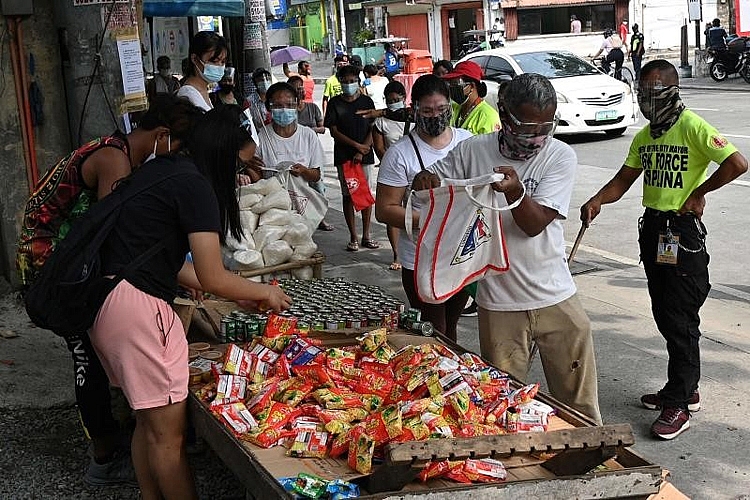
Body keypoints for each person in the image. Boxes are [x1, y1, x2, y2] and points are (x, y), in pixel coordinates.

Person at [89, 105, 292, 498]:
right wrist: (264, 291)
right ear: (222, 153)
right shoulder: (196, 187)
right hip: (138, 309)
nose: (241, 175)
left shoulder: (162, 169)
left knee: (147, 423)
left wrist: (235, 291)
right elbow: (214, 274)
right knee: (169, 439)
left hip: (108, 300)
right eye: (240, 164)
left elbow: (151, 251)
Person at [17, 95, 204, 487]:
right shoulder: (115, 160)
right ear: (162, 136)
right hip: (53, 262)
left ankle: (130, 439)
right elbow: (117, 236)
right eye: (179, 149)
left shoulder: (122, 153)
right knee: (86, 357)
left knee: (101, 357)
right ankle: (103, 456)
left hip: (70, 258)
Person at [412, 73, 603, 424]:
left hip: (555, 296)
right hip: (499, 303)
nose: (537, 139)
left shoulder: (559, 156)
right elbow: (433, 185)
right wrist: (424, 181)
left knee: (579, 406)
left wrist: (516, 192)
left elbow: (533, 225)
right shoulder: (473, 150)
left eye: (547, 127)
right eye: (528, 128)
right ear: (504, 115)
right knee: (502, 404)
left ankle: (590, 464)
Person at [580, 59, 748, 439]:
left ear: (673, 92)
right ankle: (683, 389)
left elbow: (737, 162)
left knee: (681, 319)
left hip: (681, 232)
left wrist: (699, 192)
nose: (648, 102)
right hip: (654, 229)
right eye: (643, 95)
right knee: (664, 312)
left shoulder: (692, 128)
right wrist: (597, 200)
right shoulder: (646, 137)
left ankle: (680, 404)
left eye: (656, 94)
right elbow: (623, 181)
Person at [376, 74, 473, 340]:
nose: (435, 116)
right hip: (421, 258)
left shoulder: (467, 142)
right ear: (415, 109)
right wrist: (433, 220)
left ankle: (451, 378)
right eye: (428, 110)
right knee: (434, 330)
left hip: (460, 254)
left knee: (451, 328)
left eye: (442, 109)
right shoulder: (400, 153)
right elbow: (385, 210)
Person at [324, 64, 379, 252]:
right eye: (345, 82)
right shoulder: (334, 104)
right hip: (344, 155)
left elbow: (374, 127)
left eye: (352, 81)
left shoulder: (367, 102)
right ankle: (353, 237)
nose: (349, 84)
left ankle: (367, 234)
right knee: (348, 195)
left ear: (358, 81)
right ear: (340, 82)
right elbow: (333, 131)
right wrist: (356, 146)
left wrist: (363, 148)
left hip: (364, 154)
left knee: (365, 194)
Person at [373, 80, 412, 271]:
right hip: (392, 172)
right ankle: (397, 252)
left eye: (397, 100)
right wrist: (394, 165)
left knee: (414, 210)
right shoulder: (380, 122)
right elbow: (379, 148)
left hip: (414, 171)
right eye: (390, 101)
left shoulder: (413, 117)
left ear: (404, 98)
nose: (393, 103)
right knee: (392, 211)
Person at [287, 76, 334, 231]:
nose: (299, 90)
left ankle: (320, 218)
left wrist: (308, 131)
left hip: (312, 152)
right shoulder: (288, 111)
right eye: (295, 87)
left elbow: (323, 127)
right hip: (295, 153)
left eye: (301, 86)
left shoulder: (312, 108)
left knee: (318, 187)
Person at [441, 60, 501, 135]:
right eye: (451, 84)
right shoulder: (453, 108)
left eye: (456, 84)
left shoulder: (488, 117)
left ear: (471, 86)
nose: (452, 88)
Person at [177, 31, 227, 111]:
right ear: (195, 59)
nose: (219, 66)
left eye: (223, 61)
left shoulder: (203, 91)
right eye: (214, 61)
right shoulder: (187, 95)